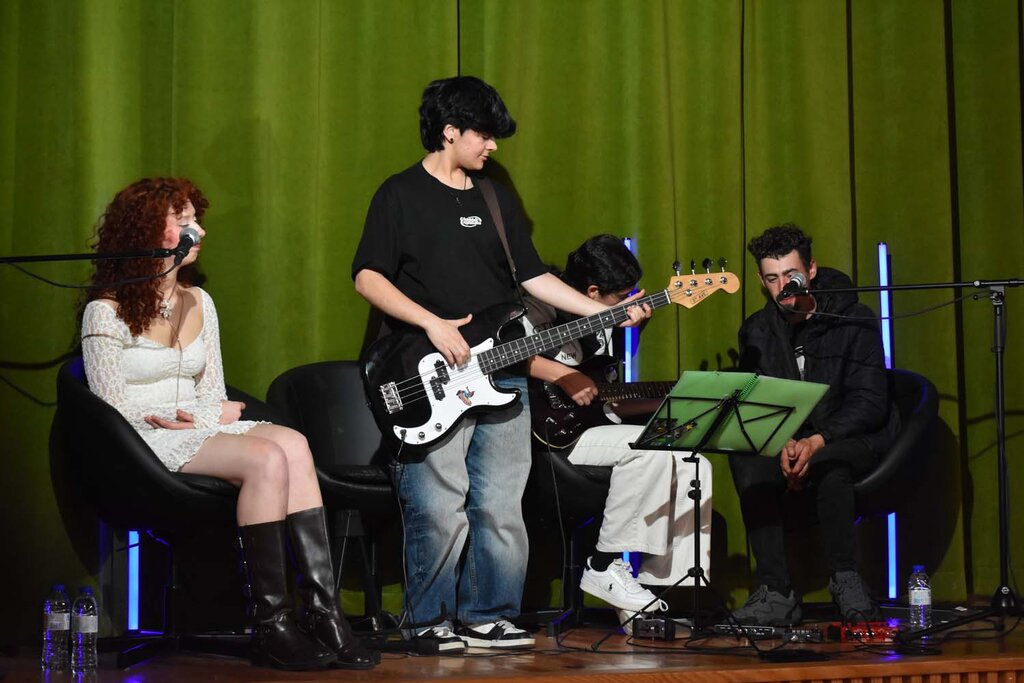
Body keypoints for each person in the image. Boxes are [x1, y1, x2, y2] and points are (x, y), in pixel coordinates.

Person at [351, 77, 649, 651]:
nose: (492, 146)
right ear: (450, 131)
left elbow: (532, 277)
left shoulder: (494, 197)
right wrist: (432, 324)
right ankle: (429, 622)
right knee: (439, 504)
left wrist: (605, 312)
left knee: (501, 503)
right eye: (484, 134)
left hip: (502, 369)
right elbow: (368, 277)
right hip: (430, 371)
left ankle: (489, 614)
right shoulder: (399, 194)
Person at [80, 178, 378, 671]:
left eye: (197, 220)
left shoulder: (200, 302)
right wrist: (199, 418)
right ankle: (272, 623)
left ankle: (323, 613)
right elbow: (111, 410)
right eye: (182, 221)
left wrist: (203, 417)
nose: (197, 230)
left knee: (293, 443)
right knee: (264, 457)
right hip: (141, 440)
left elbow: (214, 392)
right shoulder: (104, 312)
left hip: (192, 427)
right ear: (146, 231)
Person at [524, 235, 712, 620]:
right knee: (651, 447)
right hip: (551, 433)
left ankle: (657, 584)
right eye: (622, 296)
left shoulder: (608, 321)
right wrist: (562, 377)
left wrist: (673, 401)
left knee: (694, 460)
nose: (629, 302)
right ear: (593, 291)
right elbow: (513, 357)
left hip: (593, 423)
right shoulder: (542, 303)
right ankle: (604, 564)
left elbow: (606, 394)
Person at [728, 223, 899, 625]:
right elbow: (760, 402)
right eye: (772, 278)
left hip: (851, 435)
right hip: (792, 438)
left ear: (812, 270)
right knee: (746, 460)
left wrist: (818, 440)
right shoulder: (757, 330)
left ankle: (846, 580)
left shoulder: (853, 318)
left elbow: (870, 402)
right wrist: (785, 442)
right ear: (761, 281)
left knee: (829, 465)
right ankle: (776, 591)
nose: (782, 286)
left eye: (791, 275)